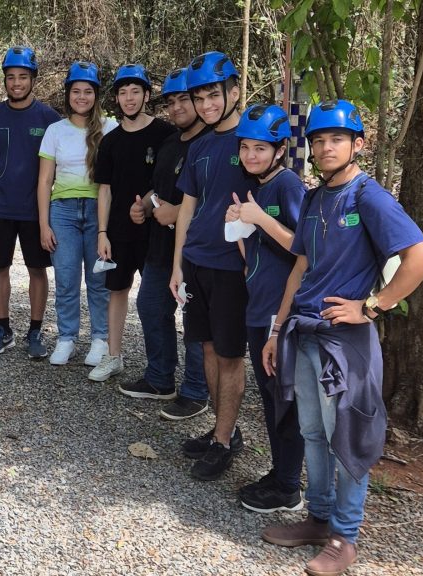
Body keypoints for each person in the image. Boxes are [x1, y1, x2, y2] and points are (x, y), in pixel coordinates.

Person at [260, 100, 423, 576]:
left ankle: (345, 536)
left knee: (347, 438)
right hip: (305, 333)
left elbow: (421, 256)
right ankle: (318, 517)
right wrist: (277, 328)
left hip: (345, 341)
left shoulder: (368, 197)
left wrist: (371, 306)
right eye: (317, 140)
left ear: (358, 144)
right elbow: (300, 267)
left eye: (336, 139)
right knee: (314, 433)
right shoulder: (315, 198)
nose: (325, 147)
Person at [169, 51, 251, 481]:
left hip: (232, 268)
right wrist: (177, 264)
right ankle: (225, 430)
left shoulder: (253, 141)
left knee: (230, 354)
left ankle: (223, 441)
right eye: (199, 97)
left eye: (213, 95)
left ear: (233, 92)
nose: (206, 105)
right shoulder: (199, 145)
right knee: (204, 350)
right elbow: (187, 207)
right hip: (197, 261)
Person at [223, 103, 306, 514]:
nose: (251, 156)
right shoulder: (256, 186)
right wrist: (241, 225)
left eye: (261, 148)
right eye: (245, 148)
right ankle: (280, 474)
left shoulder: (289, 185)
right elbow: (252, 255)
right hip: (259, 307)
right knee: (271, 397)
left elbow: (304, 248)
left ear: (279, 150)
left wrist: (259, 216)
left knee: (283, 398)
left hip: (281, 312)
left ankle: (289, 486)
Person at [124, 67, 210, 421]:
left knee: (194, 320)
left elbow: (227, 203)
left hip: (198, 251)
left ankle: (195, 391)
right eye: (171, 101)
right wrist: (143, 204)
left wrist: (178, 213)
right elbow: (159, 188)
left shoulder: (213, 145)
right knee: (150, 306)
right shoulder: (171, 143)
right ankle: (160, 378)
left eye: (184, 100)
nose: (176, 108)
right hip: (161, 248)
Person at [91, 64, 176, 380]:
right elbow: (105, 190)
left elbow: (174, 181)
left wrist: (151, 204)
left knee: (156, 302)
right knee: (116, 290)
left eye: (135, 91)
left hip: (158, 231)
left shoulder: (166, 134)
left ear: (147, 95)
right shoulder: (110, 141)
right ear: (116, 98)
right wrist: (102, 232)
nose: (129, 98)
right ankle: (113, 356)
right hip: (118, 231)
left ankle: (163, 368)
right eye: (123, 92)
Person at [0, 46, 61, 359]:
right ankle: (3, 330)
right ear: (5, 80)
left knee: (37, 270)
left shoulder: (49, 118)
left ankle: (35, 332)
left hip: (35, 210)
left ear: (32, 79)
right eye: (11, 77)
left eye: (23, 77)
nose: (16, 83)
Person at [36, 61, 116, 365]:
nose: (81, 97)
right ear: (68, 94)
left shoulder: (110, 128)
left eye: (87, 91)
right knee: (66, 279)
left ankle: (100, 339)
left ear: (96, 95)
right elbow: (45, 180)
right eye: (76, 91)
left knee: (98, 280)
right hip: (63, 212)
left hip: (99, 211)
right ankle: (67, 337)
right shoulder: (55, 130)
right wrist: (44, 224)